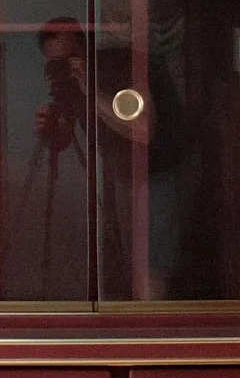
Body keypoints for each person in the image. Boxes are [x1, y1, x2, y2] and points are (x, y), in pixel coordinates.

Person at [35, 16, 185, 299]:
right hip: (124, 176)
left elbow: (142, 129)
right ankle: (139, 315)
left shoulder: (121, 65)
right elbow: (64, 138)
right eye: (54, 63)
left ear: (83, 45)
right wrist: (47, 129)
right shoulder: (71, 82)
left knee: (151, 264)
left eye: (67, 59)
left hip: (157, 172)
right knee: (134, 263)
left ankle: (149, 324)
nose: (62, 68)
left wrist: (90, 91)